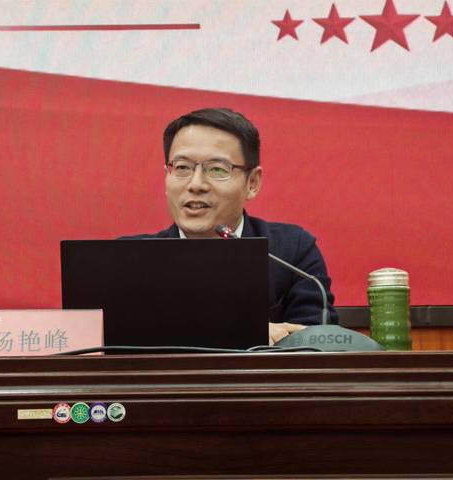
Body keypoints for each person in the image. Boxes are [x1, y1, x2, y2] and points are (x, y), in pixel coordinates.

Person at [126, 108, 337, 345]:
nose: (196, 184)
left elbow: (317, 345)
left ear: (252, 183)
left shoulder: (291, 253)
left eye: (217, 169)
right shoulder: (129, 261)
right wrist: (245, 333)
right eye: (182, 167)